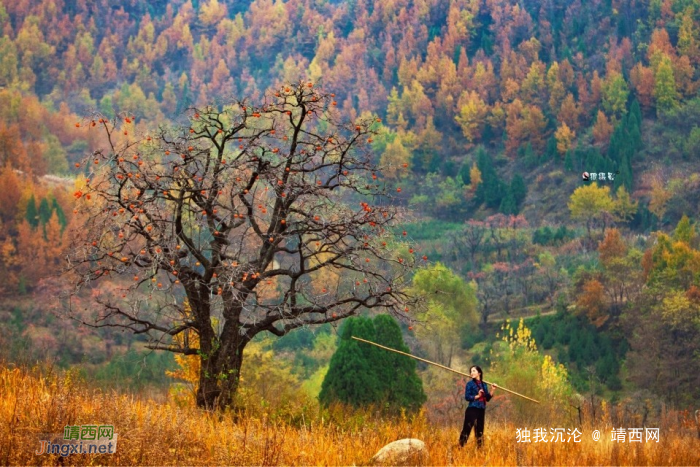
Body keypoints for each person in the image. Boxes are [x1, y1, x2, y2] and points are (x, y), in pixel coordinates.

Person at [459, 365, 497, 448]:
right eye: (471, 371)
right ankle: (460, 447)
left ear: (479, 373)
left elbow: (487, 398)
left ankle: (479, 451)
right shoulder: (470, 384)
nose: (471, 373)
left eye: (474, 371)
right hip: (472, 409)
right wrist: (478, 396)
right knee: (467, 429)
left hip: (481, 410)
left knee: (479, 431)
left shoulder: (484, 384)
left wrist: (492, 389)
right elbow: (467, 397)